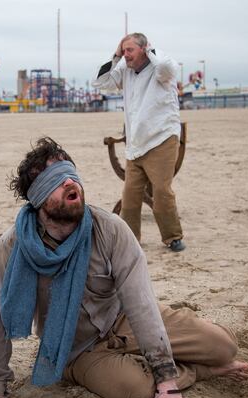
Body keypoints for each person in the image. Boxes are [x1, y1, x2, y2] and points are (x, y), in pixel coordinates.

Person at [0, 137, 248, 398]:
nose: (70, 183)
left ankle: (174, 353)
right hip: (75, 348)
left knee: (224, 346)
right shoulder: (11, 247)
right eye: (57, 180)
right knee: (139, 391)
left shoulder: (111, 229)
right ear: (38, 197)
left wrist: (167, 381)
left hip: (122, 319)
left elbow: (140, 303)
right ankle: (198, 371)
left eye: (71, 175)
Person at [93, 33, 186, 252]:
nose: (126, 55)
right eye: (124, 50)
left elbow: (166, 67)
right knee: (130, 196)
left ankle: (173, 237)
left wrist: (150, 50)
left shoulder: (160, 67)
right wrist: (116, 56)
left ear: (144, 49)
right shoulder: (125, 69)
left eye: (130, 50)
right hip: (136, 144)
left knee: (162, 191)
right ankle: (129, 239)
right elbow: (102, 83)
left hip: (162, 138)